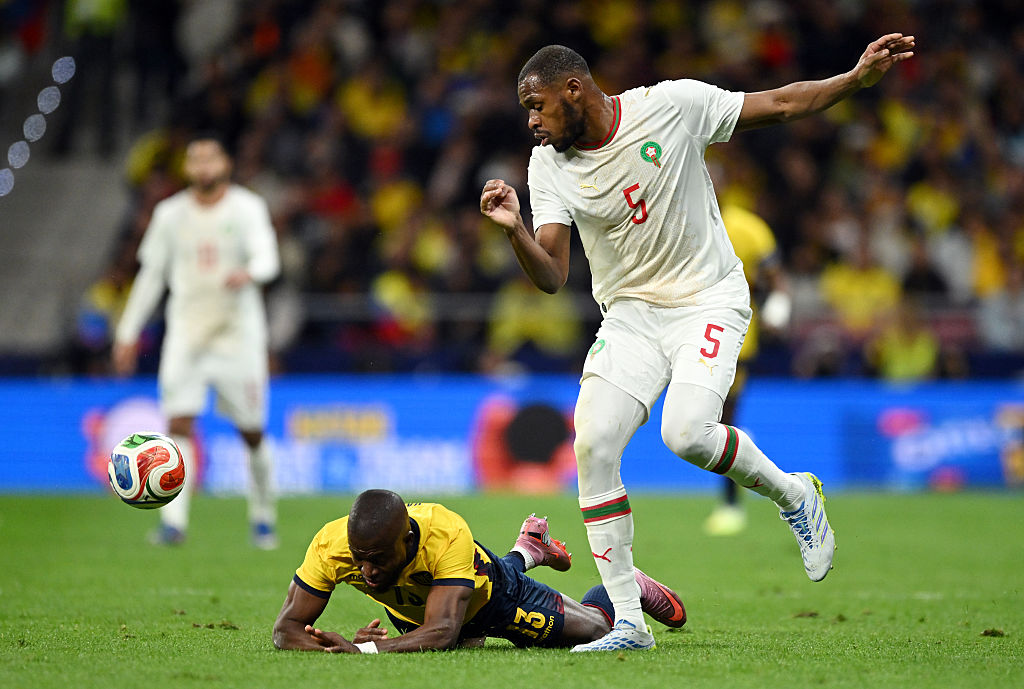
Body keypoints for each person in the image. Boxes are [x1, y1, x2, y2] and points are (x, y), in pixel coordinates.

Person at [479, 33, 915, 651]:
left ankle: (795, 494)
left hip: (707, 299)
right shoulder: (547, 164)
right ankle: (628, 622)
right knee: (594, 443)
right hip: (630, 316)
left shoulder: (672, 106)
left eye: (537, 105)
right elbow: (551, 276)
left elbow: (783, 104)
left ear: (573, 90)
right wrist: (516, 229)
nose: (531, 121)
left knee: (685, 433)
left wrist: (852, 80)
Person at [113, 134, 281, 549]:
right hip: (186, 336)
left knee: (252, 431)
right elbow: (151, 275)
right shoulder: (170, 214)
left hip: (237, 336)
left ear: (225, 163)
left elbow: (268, 257)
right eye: (195, 160)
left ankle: (262, 516)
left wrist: (252, 272)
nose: (203, 166)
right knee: (178, 424)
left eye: (210, 158)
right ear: (187, 168)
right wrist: (127, 331)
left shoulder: (247, 207)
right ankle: (175, 524)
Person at [272, 489, 686, 653]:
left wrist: (362, 651)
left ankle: (621, 587)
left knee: (596, 631)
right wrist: (331, 651)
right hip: (423, 608)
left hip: (496, 599)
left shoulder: (445, 532)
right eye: (359, 558)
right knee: (457, 649)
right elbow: (284, 630)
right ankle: (528, 547)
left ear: (407, 539)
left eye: (378, 559)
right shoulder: (332, 546)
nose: (367, 571)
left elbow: (442, 631)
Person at [704, 200, 790, 537]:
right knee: (711, 423)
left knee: (720, 421)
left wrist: (777, 309)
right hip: (688, 332)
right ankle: (736, 498)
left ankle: (733, 503)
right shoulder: (679, 215)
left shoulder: (745, 227)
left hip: (733, 337)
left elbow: (777, 279)